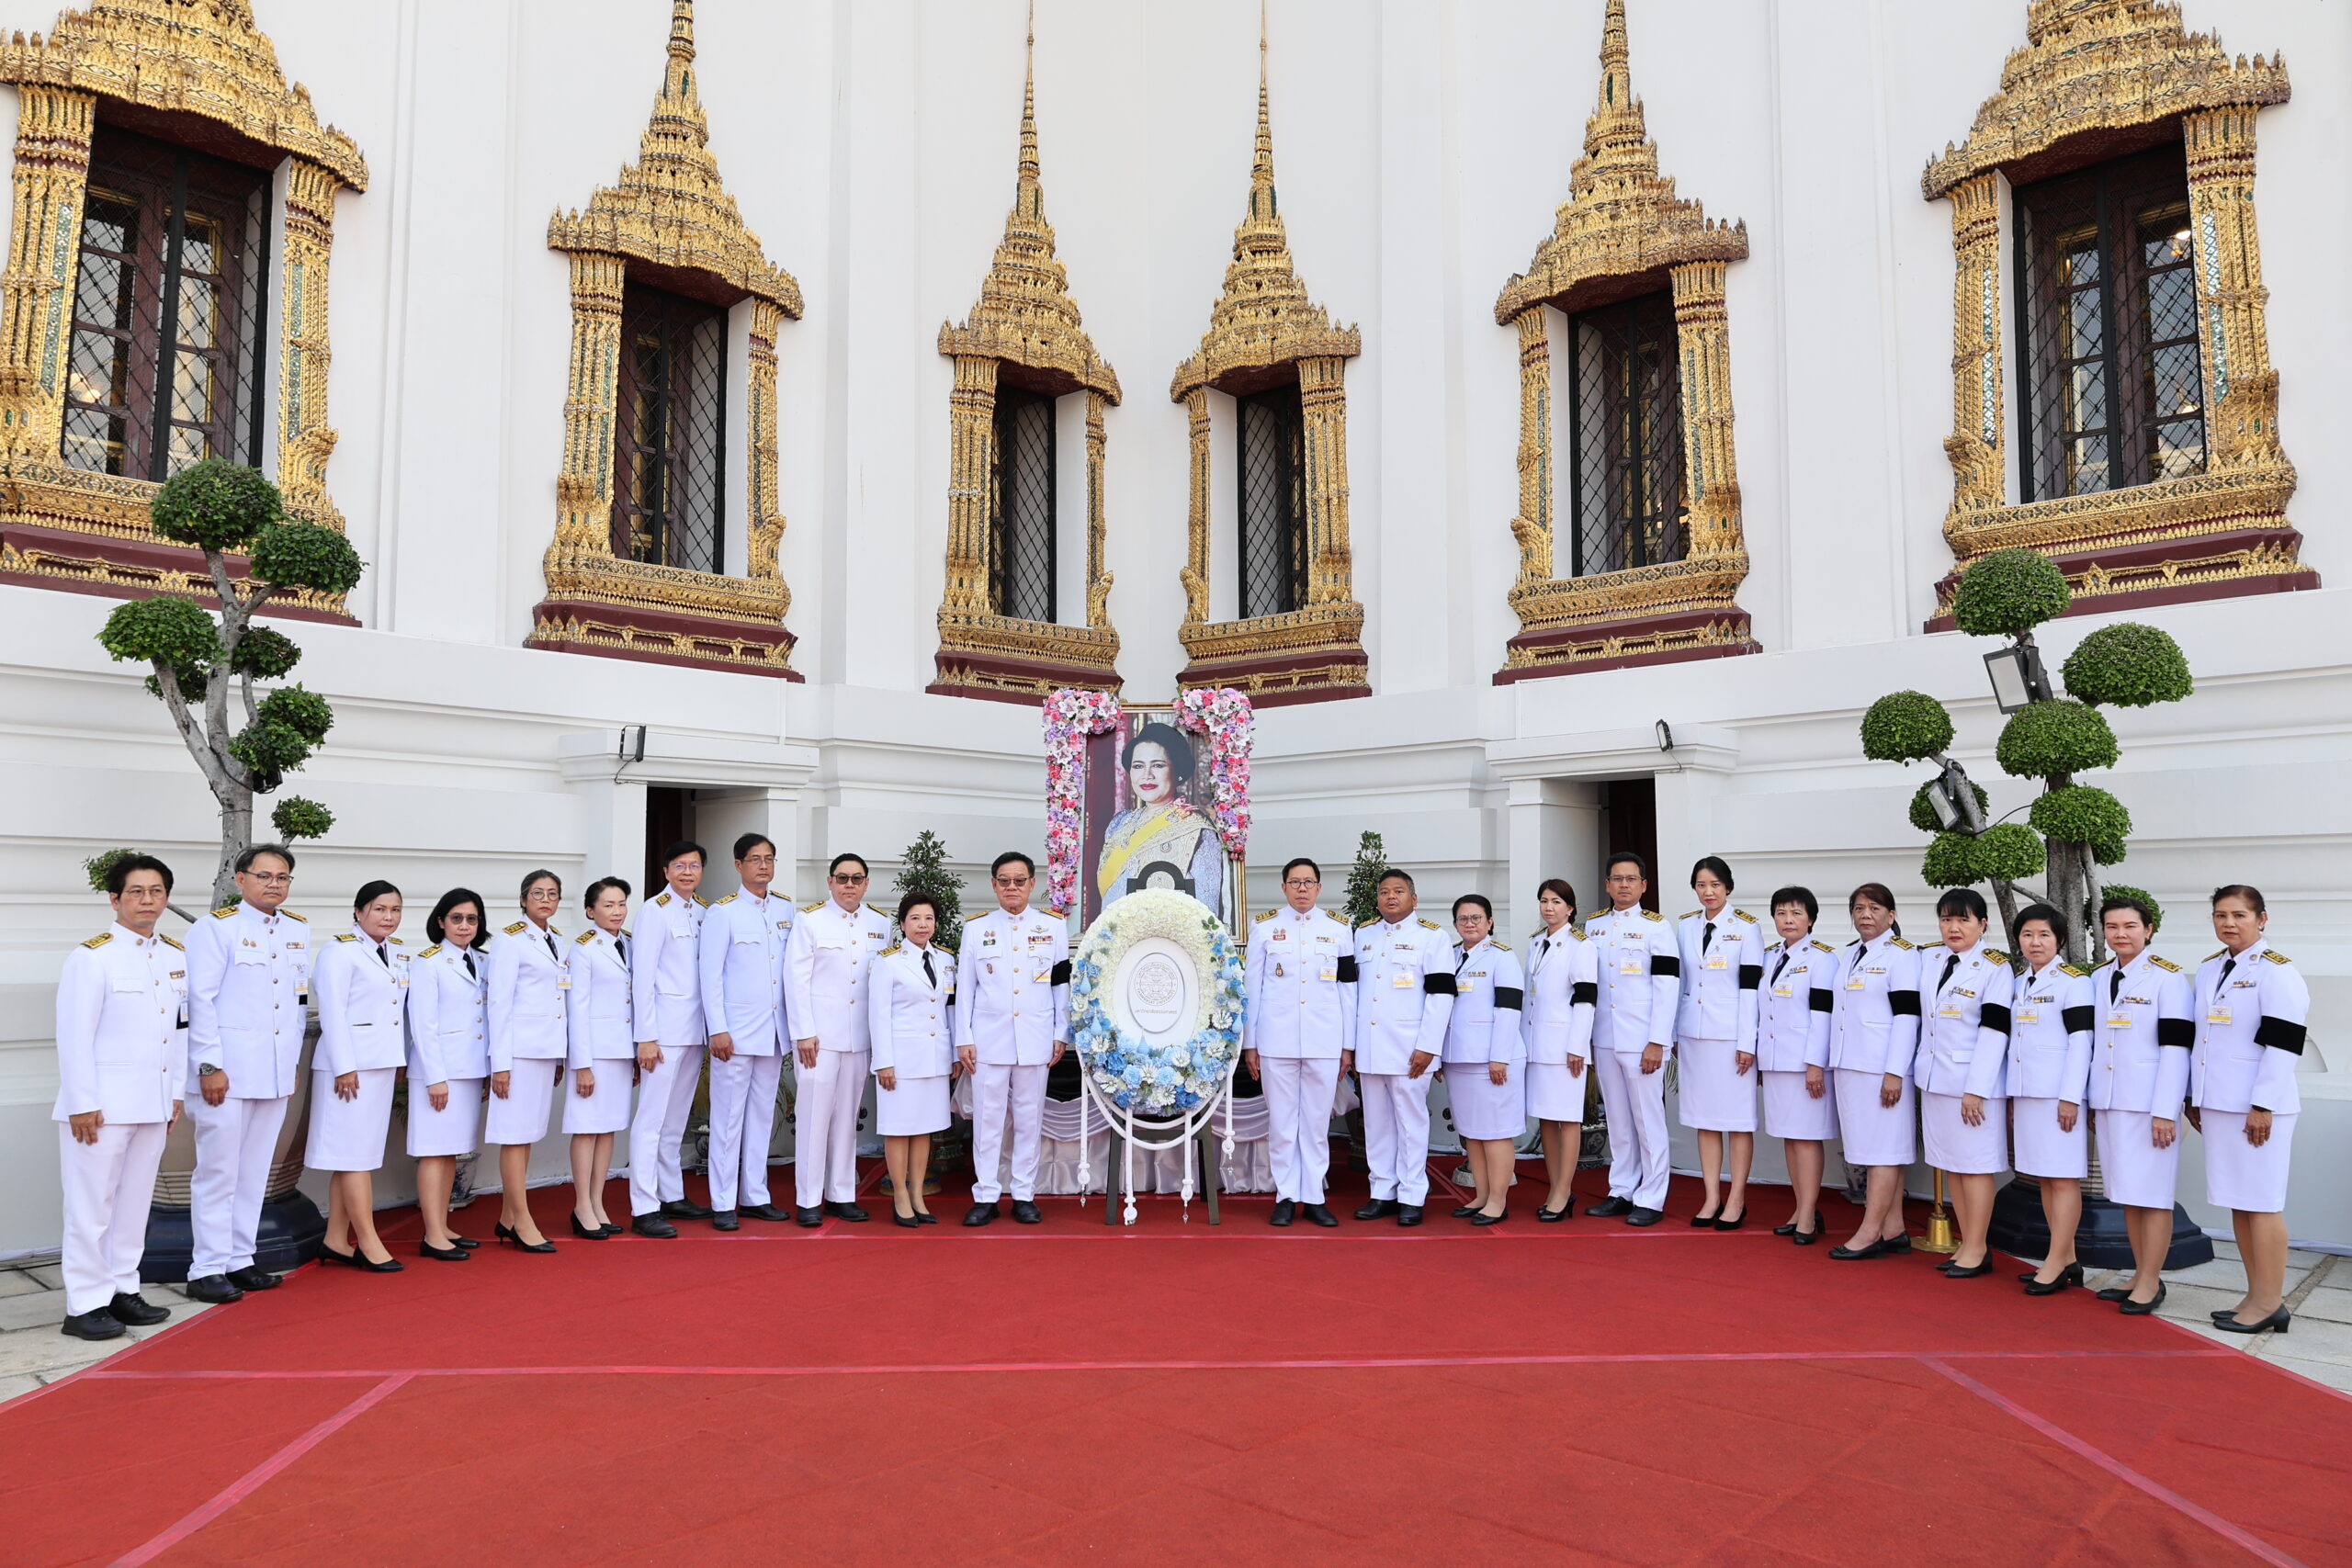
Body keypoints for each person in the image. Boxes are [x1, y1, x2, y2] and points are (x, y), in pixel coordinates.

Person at [52, 854, 184, 1340]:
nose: (148, 900)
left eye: (156, 891)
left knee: (133, 1206)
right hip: (101, 1108)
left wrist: (174, 1094)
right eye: (136, 891)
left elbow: (180, 1030)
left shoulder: (175, 955)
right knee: (91, 1208)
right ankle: (85, 1304)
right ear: (115, 899)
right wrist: (81, 1102)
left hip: (152, 1103)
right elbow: (74, 1036)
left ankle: (122, 1288)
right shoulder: (92, 957)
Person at [182, 843, 311, 1303]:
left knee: (255, 1172)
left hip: (272, 1073)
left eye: (282, 877)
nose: (274, 884)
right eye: (264, 876)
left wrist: (289, 1065)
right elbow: (198, 1002)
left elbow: (297, 1004)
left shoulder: (297, 929)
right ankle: (206, 1268)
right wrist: (209, 1066)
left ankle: (240, 1258)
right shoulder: (215, 929)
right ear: (241, 880)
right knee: (218, 1172)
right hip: (227, 1074)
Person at [2188, 885, 2306, 1334]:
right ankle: (2257, 1294)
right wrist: (2194, 1097)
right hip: (2219, 1104)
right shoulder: (2211, 968)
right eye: (2221, 915)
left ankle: (2271, 1301)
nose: (2229, 923)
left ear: (2262, 919)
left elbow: (2283, 1044)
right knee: (2240, 1204)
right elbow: (2204, 1040)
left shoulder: (2277, 972)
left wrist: (2263, 1105)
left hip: (2257, 1108)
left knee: (2263, 1204)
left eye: (2239, 914)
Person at [2086, 894, 2191, 1315]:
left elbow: (2176, 1049)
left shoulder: (2168, 979)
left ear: (2148, 930)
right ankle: (2138, 1271)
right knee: (2127, 1193)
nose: (2120, 934)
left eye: (2129, 926)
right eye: (2112, 927)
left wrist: (2166, 1110)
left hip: (2149, 1105)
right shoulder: (2099, 977)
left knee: (2154, 1195)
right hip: (2111, 1100)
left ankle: (2151, 1279)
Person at [953, 852, 1069, 1226]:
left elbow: (1060, 984)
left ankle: (1023, 1194)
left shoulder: (1052, 926)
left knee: (1028, 1119)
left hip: (1036, 1037)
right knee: (987, 1120)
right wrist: (964, 1037)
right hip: (988, 1040)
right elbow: (965, 988)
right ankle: (986, 1195)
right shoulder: (976, 928)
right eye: (1004, 881)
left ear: (1032, 884)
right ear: (994, 885)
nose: (1012, 888)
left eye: (1020, 881)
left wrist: (1061, 1032)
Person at [1245, 859, 1356, 1227]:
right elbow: (1253, 988)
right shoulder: (1264, 927)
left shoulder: (1339, 928)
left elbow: (1348, 990)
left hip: (1325, 1040)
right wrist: (1250, 1044)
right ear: (1284, 888)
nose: (1302, 888)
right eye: (1295, 882)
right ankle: (1286, 1196)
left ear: (1319, 887)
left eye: (1309, 882)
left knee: (1315, 1123)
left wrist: (1348, 1045)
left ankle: (1314, 1197)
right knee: (1281, 1123)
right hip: (1276, 1040)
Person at [306, 880, 411, 1271]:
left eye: (395, 910)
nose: (388, 917)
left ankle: (335, 1239)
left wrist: (399, 1059)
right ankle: (368, 1241)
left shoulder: (396, 952)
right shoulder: (339, 952)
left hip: (380, 1065)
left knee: (353, 1155)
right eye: (380, 909)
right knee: (355, 1158)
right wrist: (345, 1067)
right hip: (348, 1070)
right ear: (359, 911)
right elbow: (332, 1013)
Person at [1913, 888, 2013, 1279]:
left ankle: (1977, 1246)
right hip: (1936, 1078)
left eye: (1963, 919)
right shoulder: (1931, 958)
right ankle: (1967, 1243)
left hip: (1971, 1085)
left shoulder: (1994, 967)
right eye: (1946, 919)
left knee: (1975, 1166)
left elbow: (1995, 1031)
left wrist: (1977, 1089)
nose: (1953, 927)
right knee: (1952, 1165)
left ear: (1982, 924)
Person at [788, 852, 893, 1224]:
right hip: (818, 1039)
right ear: (830, 881)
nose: (850, 885)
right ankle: (808, 1199)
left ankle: (841, 1193)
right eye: (843, 878)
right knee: (813, 1119)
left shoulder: (881, 923)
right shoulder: (810, 920)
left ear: (866, 883)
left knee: (847, 1120)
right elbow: (796, 979)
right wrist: (804, 1032)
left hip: (858, 1036)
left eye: (857, 878)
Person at [699, 835, 797, 1230]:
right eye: (755, 859)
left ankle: (755, 1194)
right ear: (738, 864)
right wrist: (718, 1029)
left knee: (761, 1116)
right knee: (727, 1119)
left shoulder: (786, 908)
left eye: (769, 859)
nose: (763, 866)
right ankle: (723, 1201)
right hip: (735, 1035)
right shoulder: (723, 912)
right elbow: (710, 976)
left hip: (772, 1032)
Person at [1350, 869, 1454, 1226]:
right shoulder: (1363, 934)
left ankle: (1411, 1195)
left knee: (1411, 1124)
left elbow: (1441, 996)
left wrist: (1429, 1047)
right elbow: (1355, 995)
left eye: (1398, 891)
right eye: (1384, 892)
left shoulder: (1432, 937)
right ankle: (1382, 1191)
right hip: (1370, 1049)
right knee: (1376, 1124)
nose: (1390, 897)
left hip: (1411, 1050)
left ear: (1414, 898)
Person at [1582, 853, 1679, 1226]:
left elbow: (1667, 987)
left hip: (1642, 1040)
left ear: (1643, 885)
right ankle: (1621, 1189)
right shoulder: (1594, 926)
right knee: (1619, 1120)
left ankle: (1652, 1197)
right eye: (1617, 879)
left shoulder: (1657, 927)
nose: (1624, 885)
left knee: (1648, 1121)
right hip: (1605, 1036)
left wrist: (1658, 1040)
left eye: (1631, 879)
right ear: (1607, 884)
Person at [1826, 883, 1923, 1260]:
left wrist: (1895, 1072)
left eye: (1874, 908)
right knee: (1874, 1149)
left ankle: (1869, 1232)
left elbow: (1907, 1017)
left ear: (1891, 915)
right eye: (1859, 908)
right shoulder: (1850, 953)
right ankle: (1894, 1228)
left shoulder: (1902, 955)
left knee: (1883, 1150)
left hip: (1881, 1068)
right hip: (1850, 1064)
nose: (1865, 915)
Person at [2005, 904, 2093, 1294]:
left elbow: (2081, 1042)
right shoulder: (2019, 982)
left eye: (2043, 935)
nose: (2035, 942)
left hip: (2058, 1096)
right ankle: (2067, 1257)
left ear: (2060, 939)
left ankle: (2055, 1262)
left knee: (2063, 1178)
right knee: (2044, 1177)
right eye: (2027, 935)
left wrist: (2071, 1097)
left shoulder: (2074, 982)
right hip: (2027, 1093)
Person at [1673, 856, 1764, 1227]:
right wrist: (1673, 1032)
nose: (1708, 892)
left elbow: (1751, 988)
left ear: (1727, 886)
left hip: (1731, 1038)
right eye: (1701, 885)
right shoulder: (1685, 926)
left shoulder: (1746, 927)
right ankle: (1711, 1196)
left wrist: (1747, 1042)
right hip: (1694, 1035)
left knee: (1737, 1121)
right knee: (1705, 1119)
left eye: (1714, 885)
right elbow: (1680, 982)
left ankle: (1737, 1198)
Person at [628, 841, 712, 1235]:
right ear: (665, 871)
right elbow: (642, 977)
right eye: (680, 866)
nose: (687, 873)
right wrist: (645, 1036)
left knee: (676, 1119)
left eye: (694, 866)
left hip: (693, 1031)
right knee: (651, 1120)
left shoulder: (704, 912)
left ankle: (671, 1192)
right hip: (662, 1034)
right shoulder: (654, 910)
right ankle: (644, 1206)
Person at [485, 869, 568, 1253]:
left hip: (545, 1050)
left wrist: (559, 1055)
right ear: (523, 900)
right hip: (518, 1053)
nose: (545, 900)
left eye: (552, 894)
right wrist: (500, 1064)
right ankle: (522, 1220)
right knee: (514, 1137)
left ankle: (507, 1216)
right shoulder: (510, 940)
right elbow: (499, 1004)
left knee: (528, 1135)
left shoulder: (557, 939)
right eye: (538, 893)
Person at [406, 888, 490, 1259]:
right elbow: (423, 1026)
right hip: (439, 1072)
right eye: (456, 918)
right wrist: (434, 1077)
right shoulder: (429, 963)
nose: (464, 925)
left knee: (451, 1152)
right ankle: (432, 1234)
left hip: (469, 1069)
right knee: (433, 1152)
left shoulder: (483, 961)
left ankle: (443, 1225)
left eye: (471, 919)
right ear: (441, 921)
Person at [867, 891, 957, 1227]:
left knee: (925, 1128)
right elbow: (878, 1015)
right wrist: (883, 1062)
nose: (923, 925)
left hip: (934, 1059)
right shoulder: (888, 961)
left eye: (929, 918)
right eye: (915, 918)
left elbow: (949, 1010)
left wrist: (953, 1054)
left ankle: (918, 1194)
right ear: (903, 924)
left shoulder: (945, 959)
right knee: (898, 1128)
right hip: (900, 1061)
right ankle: (900, 1196)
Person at [1754, 886, 1838, 1245]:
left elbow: (1823, 1015)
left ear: (1811, 919)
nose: (1788, 920)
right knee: (1790, 1138)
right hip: (1776, 1061)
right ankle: (1802, 1208)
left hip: (1804, 1064)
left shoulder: (1822, 959)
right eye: (1781, 913)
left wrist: (1815, 1064)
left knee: (1806, 1138)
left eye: (1796, 913)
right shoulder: (1769, 956)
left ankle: (1807, 1214)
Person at [1441, 894, 1524, 1225]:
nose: (1470, 924)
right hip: (1459, 1058)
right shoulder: (1449, 956)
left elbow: (1509, 1009)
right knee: (1472, 1132)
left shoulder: (1502, 957)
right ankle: (1481, 1194)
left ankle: (1498, 1201)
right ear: (1455, 924)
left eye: (1476, 918)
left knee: (1496, 1131)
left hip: (1492, 1060)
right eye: (1463, 919)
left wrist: (1499, 1057)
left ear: (1490, 922)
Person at [563, 877, 636, 1240]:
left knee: (608, 1128)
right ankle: (581, 1205)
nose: (617, 911)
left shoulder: (630, 944)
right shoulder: (583, 949)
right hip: (594, 1052)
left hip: (621, 1051)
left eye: (621, 903)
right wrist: (582, 1064)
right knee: (586, 1127)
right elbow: (576, 1008)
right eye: (608, 905)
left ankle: (597, 1201)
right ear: (591, 911)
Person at [1520, 878, 1595, 1222]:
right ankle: (1555, 1188)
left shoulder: (1581, 945)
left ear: (1570, 908)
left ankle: (1564, 1191)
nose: (1549, 907)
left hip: (1566, 1048)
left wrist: (1578, 1046)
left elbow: (1586, 998)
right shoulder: (1536, 942)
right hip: (1536, 1044)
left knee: (1568, 1118)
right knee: (1546, 1118)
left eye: (1556, 902)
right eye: (1544, 901)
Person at [1094, 721, 1222, 913]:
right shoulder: (1119, 824)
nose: (1147, 775)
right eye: (1138, 766)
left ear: (1177, 771)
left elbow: (1207, 914)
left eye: (1158, 765)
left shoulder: (1199, 831)